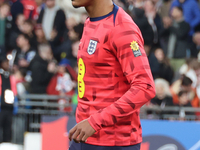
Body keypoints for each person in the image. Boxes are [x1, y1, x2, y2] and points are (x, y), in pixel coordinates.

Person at [68, 0, 155, 150]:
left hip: (114, 143)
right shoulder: (90, 21)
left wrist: (95, 122)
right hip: (84, 137)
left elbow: (145, 87)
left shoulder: (121, 28)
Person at [0, 55, 18, 143]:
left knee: (8, 129)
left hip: (9, 107)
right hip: (1, 107)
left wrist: (15, 105)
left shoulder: (11, 77)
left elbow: (14, 91)